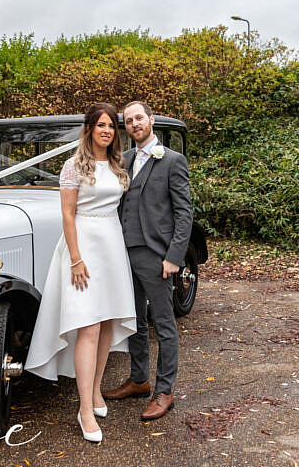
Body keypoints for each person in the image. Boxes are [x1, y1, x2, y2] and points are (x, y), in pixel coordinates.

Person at [24, 103, 137, 443]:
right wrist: (75, 258)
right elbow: (68, 215)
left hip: (112, 246)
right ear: (89, 129)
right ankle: (84, 408)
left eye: (111, 126)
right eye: (100, 125)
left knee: (105, 324)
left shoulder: (117, 164)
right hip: (82, 249)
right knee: (87, 326)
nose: (107, 130)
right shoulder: (73, 166)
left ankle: (97, 391)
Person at [102, 101, 192, 420]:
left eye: (139, 118)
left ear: (151, 120)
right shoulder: (123, 159)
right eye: (129, 121)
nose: (135, 124)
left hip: (156, 256)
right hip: (124, 253)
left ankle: (164, 391)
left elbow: (184, 213)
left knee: (164, 324)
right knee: (135, 321)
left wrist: (173, 257)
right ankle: (139, 379)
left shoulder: (172, 161)